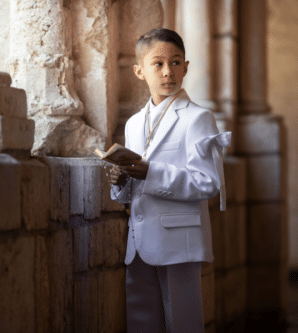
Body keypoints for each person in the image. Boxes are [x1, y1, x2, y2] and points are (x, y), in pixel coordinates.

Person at [110, 28, 231, 333]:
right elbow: (131, 193)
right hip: (138, 240)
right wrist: (121, 180)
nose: (168, 72)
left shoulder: (197, 118)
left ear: (186, 67)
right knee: (141, 321)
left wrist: (151, 172)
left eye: (176, 63)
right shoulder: (135, 123)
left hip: (179, 240)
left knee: (183, 322)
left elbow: (207, 183)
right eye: (158, 64)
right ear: (140, 71)